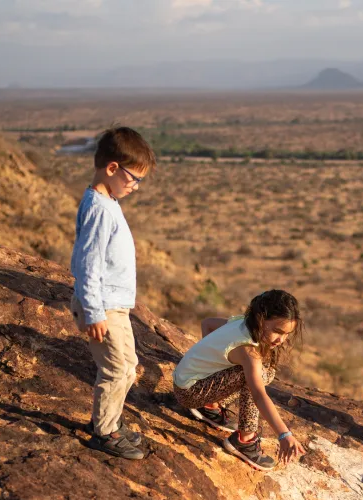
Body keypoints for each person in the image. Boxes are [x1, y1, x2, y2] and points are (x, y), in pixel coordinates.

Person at [70, 127, 157, 460]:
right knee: (116, 369)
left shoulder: (108, 202)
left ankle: (110, 422)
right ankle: (104, 433)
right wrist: (93, 313)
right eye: (134, 178)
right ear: (112, 168)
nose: (135, 186)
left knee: (129, 366)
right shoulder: (99, 209)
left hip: (114, 305)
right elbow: (87, 263)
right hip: (103, 306)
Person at [174, 290, 306, 471]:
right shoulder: (248, 351)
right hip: (190, 393)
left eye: (287, 334)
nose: (281, 340)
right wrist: (284, 435)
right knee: (255, 376)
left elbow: (208, 323)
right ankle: (244, 440)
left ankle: (209, 406)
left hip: (189, 383)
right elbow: (258, 395)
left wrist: (212, 360)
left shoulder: (242, 323)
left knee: (265, 372)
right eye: (277, 331)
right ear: (261, 319)